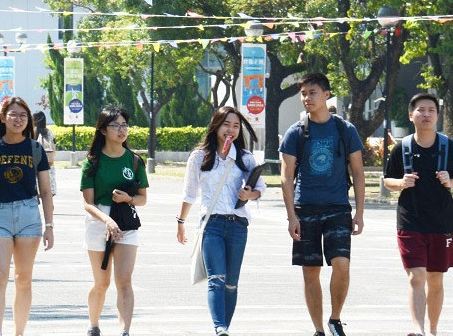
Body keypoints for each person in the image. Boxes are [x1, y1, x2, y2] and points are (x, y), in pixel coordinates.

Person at [279, 72, 365, 336]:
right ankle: (318, 329)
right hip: (306, 208)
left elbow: (358, 171)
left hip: (338, 208)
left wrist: (359, 212)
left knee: (341, 264)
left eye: (312, 92)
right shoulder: (296, 132)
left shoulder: (344, 129)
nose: (307, 98)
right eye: (303, 93)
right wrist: (291, 215)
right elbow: (286, 175)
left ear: (326, 95)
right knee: (311, 270)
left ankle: (335, 318)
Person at [0, 96, 54, 336]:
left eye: (23, 116)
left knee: (23, 278)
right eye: (13, 115)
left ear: (28, 121)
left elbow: (46, 191)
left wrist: (49, 225)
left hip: (29, 214)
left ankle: (19, 332)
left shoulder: (35, 149)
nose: (18, 119)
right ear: (3, 118)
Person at [177, 106, 266, 336]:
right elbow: (189, 193)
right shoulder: (199, 157)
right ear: (216, 125)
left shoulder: (245, 158)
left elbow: (260, 188)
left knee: (231, 283)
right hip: (211, 225)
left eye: (236, 126)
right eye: (226, 124)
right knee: (216, 278)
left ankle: (225, 327)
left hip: (238, 225)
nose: (231, 130)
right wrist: (181, 221)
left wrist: (249, 194)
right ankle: (220, 327)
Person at [383, 93, 453, 336]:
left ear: (437, 114)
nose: (426, 114)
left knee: (435, 278)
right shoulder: (401, 148)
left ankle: (433, 331)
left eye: (431, 110)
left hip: (442, 221)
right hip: (410, 220)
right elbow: (387, 181)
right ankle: (418, 330)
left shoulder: (448, 146)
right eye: (421, 110)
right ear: (411, 115)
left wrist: (450, 181)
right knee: (417, 276)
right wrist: (401, 182)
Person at [80, 106, 149, 336]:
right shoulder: (92, 162)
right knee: (102, 283)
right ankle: (94, 324)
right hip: (99, 221)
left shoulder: (135, 161)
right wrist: (107, 220)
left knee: (124, 280)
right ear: (102, 130)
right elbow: (88, 203)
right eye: (116, 126)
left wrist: (129, 198)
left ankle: (124, 331)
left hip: (126, 223)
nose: (122, 130)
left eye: (124, 125)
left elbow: (142, 199)